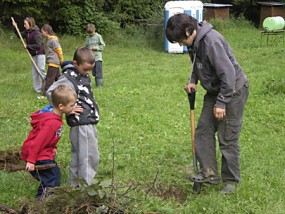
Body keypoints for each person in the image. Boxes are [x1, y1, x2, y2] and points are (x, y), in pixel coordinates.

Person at [165, 13, 249, 194]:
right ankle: (209, 173)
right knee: (203, 130)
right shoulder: (193, 43)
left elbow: (229, 75)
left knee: (227, 138)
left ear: (189, 31)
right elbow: (196, 64)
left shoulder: (212, 43)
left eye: (180, 40)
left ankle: (231, 182)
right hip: (214, 91)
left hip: (232, 91)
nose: (180, 44)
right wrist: (193, 80)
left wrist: (222, 103)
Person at [46, 47, 100, 187]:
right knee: (89, 156)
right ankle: (86, 189)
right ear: (75, 63)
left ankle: (75, 186)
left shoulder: (80, 75)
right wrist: (66, 109)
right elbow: (51, 92)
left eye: (90, 69)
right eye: (85, 69)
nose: (88, 72)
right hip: (82, 124)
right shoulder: (69, 78)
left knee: (79, 156)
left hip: (84, 123)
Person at [20, 85, 78, 200]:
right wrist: (31, 161)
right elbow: (38, 142)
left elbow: (50, 137)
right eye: (72, 105)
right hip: (38, 156)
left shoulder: (53, 114)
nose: (74, 107)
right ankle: (43, 203)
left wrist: (52, 146)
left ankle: (46, 198)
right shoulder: (51, 123)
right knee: (51, 179)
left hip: (44, 152)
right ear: (61, 106)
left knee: (53, 175)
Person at [12, 17, 46, 94]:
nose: (24, 25)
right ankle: (37, 89)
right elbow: (19, 35)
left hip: (40, 53)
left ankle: (47, 86)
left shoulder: (37, 32)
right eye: (24, 24)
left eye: (25, 24)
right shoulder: (27, 32)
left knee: (41, 70)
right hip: (33, 54)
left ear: (30, 24)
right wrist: (15, 27)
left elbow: (38, 45)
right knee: (34, 72)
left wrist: (27, 46)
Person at [41, 24, 64, 97]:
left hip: (53, 62)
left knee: (49, 79)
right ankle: (64, 91)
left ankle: (45, 95)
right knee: (58, 79)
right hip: (53, 62)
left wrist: (61, 60)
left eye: (42, 31)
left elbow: (59, 50)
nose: (42, 33)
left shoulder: (53, 40)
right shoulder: (49, 40)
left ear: (46, 31)